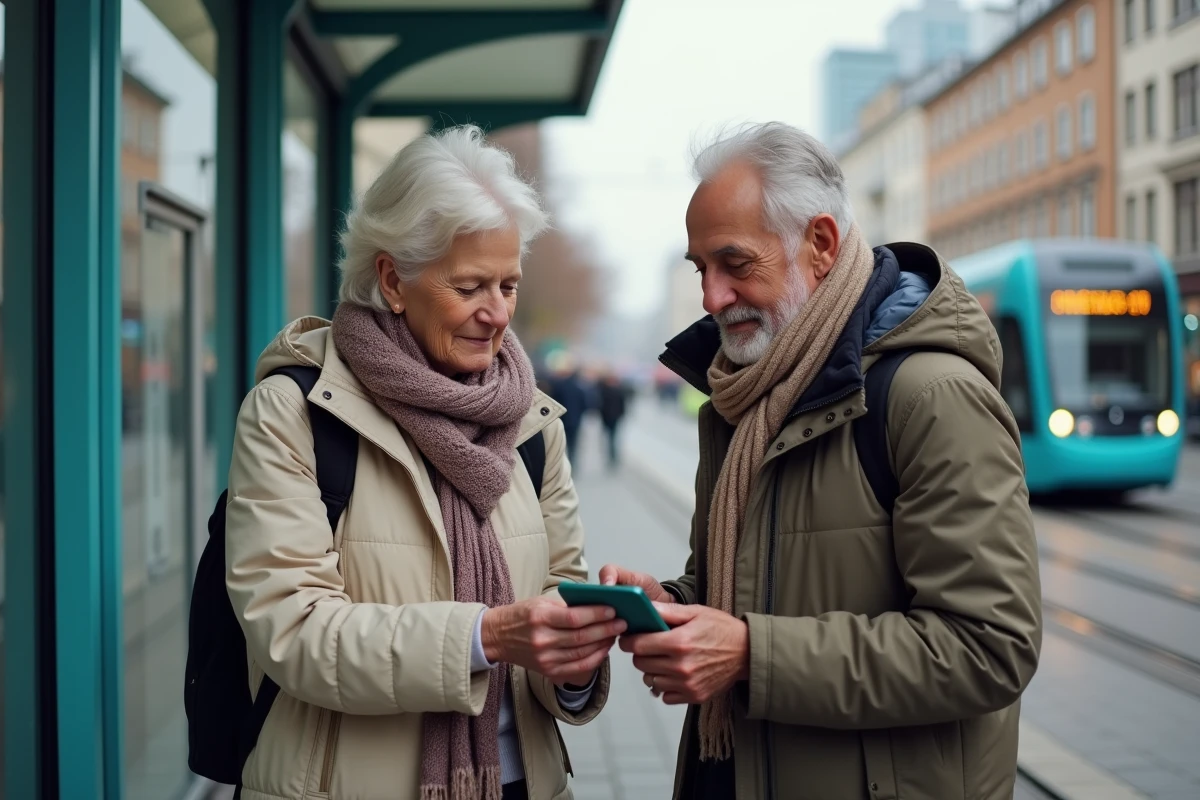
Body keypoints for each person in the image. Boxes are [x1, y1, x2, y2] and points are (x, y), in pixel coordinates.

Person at [601, 122, 1042, 799]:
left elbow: (989, 648)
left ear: (821, 245)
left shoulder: (929, 394)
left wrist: (751, 653)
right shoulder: (742, 399)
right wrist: (675, 606)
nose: (711, 297)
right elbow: (752, 588)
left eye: (735, 264)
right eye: (700, 270)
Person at [225, 125, 622, 800]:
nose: (496, 314)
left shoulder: (533, 423)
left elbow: (559, 587)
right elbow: (289, 629)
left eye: (509, 284)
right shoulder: (292, 414)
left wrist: (575, 660)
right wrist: (485, 635)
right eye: (470, 286)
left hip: (520, 782)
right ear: (393, 279)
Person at [595, 370, 630, 469]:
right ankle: (611, 456)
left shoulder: (616, 390)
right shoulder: (606, 390)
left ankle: (612, 456)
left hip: (613, 417)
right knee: (610, 437)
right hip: (607, 417)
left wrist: (622, 414)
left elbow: (622, 404)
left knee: (612, 437)